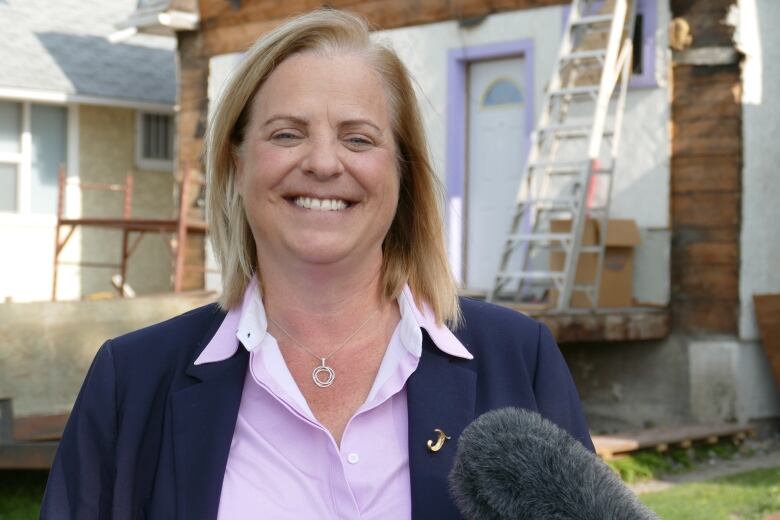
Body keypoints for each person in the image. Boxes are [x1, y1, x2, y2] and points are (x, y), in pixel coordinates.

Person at [41, 9, 593, 519]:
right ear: (236, 165)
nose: (324, 163)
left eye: (358, 138)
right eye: (287, 134)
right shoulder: (131, 382)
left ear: (402, 173)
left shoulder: (521, 362)